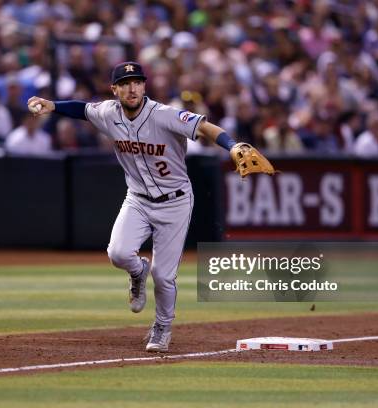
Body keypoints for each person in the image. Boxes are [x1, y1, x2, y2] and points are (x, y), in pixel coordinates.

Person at [27, 62, 255, 352]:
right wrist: (52, 105)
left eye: (136, 82)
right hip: (137, 197)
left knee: (163, 275)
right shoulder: (109, 112)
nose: (131, 88)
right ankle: (137, 271)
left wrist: (233, 145)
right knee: (118, 254)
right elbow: (81, 109)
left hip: (175, 201)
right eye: (124, 83)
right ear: (115, 90)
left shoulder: (165, 115)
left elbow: (206, 127)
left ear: (144, 86)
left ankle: (162, 327)